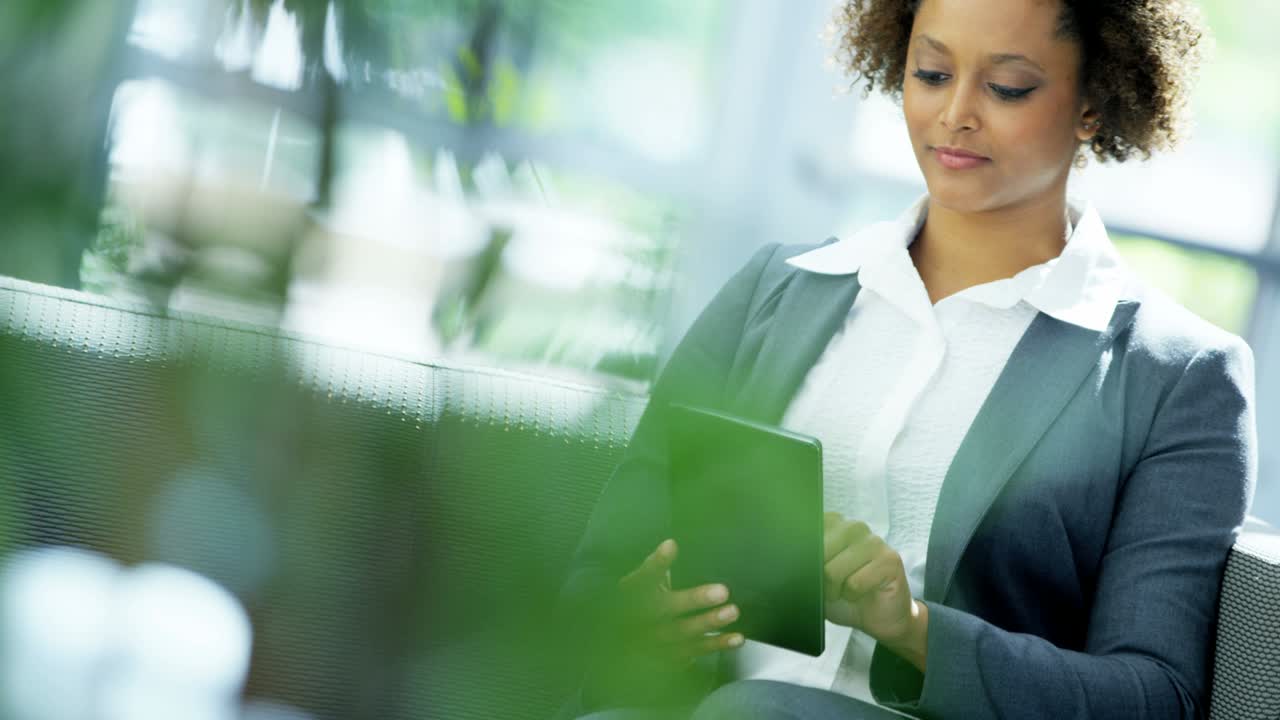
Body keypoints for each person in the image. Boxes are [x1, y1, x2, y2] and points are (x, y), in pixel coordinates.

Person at [554, 0, 1256, 718]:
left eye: (1008, 88)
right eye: (931, 73)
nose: (956, 112)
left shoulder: (1179, 377)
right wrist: (638, 621)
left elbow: (1153, 697)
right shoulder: (773, 291)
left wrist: (914, 629)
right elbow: (604, 574)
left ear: (1092, 103)